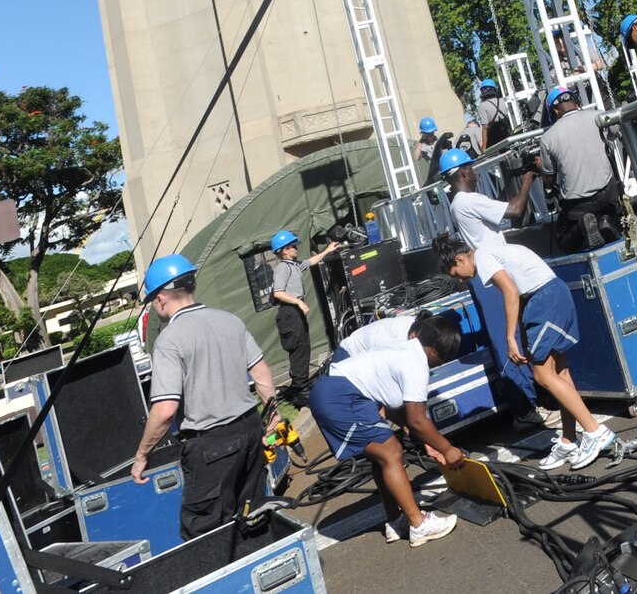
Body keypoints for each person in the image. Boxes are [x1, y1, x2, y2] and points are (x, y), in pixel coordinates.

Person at [432, 234, 614, 470]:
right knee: (560, 372)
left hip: (544, 300)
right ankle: (569, 440)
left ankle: (594, 431)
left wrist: (510, 338)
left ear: (460, 259)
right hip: (550, 296)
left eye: (456, 274)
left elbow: (510, 291)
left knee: (542, 375)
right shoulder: (490, 251)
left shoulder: (484, 257)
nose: (459, 281)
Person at [132, 255, 276, 540]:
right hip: (251, 432)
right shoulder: (230, 320)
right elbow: (262, 375)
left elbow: (164, 411)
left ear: (160, 298)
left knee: (205, 533)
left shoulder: (169, 340)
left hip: (212, 446)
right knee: (253, 517)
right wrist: (274, 418)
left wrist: (142, 456)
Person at [307, 312, 464, 546]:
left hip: (337, 393)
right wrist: (447, 448)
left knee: (383, 454)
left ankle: (395, 521)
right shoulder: (416, 363)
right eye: (444, 358)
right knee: (391, 452)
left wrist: (429, 441)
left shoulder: (403, 349)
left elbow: (395, 407)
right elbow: (417, 420)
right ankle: (419, 525)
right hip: (340, 398)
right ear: (434, 351)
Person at [538, 86, 624, 250]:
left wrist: (544, 173)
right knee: (612, 197)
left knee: (563, 240)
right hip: (607, 193)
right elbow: (614, 132)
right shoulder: (597, 116)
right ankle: (606, 220)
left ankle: (582, 225)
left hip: (578, 205)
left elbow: (550, 178)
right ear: (576, 102)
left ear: (555, 112)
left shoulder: (547, 138)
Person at [268, 229, 343, 408]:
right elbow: (278, 292)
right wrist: (299, 303)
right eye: (292, 246)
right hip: (289, 313)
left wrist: (327, 251)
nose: (296, 248)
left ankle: (299, 387)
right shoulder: (282, 268)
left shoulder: (293, 265)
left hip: (295, 312)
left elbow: (310, 262)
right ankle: (301, 393)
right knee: (299, 351)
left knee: (304, 347)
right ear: (284, 250)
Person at [440, 143, 536, 251]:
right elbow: (515, 210)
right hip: (496, 261)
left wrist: (511, 179)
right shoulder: (470, 200)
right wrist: (528, 178)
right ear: (463, 172)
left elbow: (495, 207)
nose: (475, 174)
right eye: (471, 169)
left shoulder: (456, 204)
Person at [473, 80, 515, 150]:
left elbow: (485, 128)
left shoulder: (482, 106)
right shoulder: (504, 101)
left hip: (494, 140)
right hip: (507, 135)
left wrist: (484, 148)